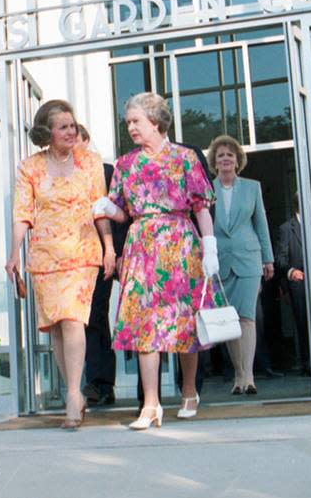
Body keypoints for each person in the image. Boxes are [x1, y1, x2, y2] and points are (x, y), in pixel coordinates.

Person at [95, 92, 216, 430]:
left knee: (184, 322)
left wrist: (210, 247)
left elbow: (200, 206)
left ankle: (189, 391)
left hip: (179, 243)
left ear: (156, 121)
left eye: (136, 121)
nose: (130, 127)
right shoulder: (125, 163)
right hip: (142, 245)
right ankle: (150, 405)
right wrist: (107, 209)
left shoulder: (185, 157)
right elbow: (122, 211)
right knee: (143, 323)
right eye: (128, 121)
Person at [6, 101, 114, 430]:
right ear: (47, 132)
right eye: (63, 126)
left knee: (73, 320)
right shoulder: (29, 168)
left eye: (72, 125)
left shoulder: (91, 162)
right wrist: (14, 254)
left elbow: (101, 208)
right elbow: (22, 214)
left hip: (82, 251)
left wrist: (109, 246)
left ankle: (70, 395)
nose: (71, 131)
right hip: (44, 256)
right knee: (56, 327)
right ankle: (75, 393)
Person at [207, 134, 275, 395]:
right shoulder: (206, 188)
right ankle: (237, 373)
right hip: (220, 263)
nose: (225, 159)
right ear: (215, 161)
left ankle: (249, 376)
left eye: (230, 155)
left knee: (247, 317)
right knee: (229, 320)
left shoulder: (252, 187)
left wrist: (268, 258)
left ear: (237, 161)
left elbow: (261, 224)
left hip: (249, 260)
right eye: (221, 155)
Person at [77, 124, 127, 407]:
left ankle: (101, 383)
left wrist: (116, 252)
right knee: (82, 320)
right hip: (76, 257)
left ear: (87, 140)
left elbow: (121, 210)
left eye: (78, 142)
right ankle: (93, 383)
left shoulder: (108, 172)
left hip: (104, 256)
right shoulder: (66, 175)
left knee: (96, 314)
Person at [275, 194, 310, 375]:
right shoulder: (286, 229)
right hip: (299, 284)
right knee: (303, 324)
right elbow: (280, 260)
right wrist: (291, 272)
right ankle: (308, 364)